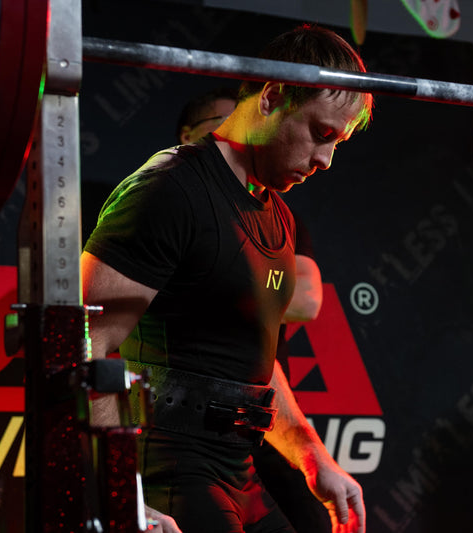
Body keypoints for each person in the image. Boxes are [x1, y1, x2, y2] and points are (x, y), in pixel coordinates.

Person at [81, 24, 373, 533]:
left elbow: (253, 367)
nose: (326, 160)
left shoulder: (277, 216)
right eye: (322, 134)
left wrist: (314, 459)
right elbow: (86, 344)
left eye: (338, 143)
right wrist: (123, 493)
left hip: (240, 472)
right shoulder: (171, 188)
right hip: (171, 468)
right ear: (273, 97)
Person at [177, 88, 332, 533]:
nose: (235, 136)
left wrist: (218, 286)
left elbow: (305, 300)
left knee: (316, 521)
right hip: (186, 429)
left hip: (262, 410)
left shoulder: (276, 216)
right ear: (188, 135)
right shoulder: (163, 198)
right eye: (219, 125)